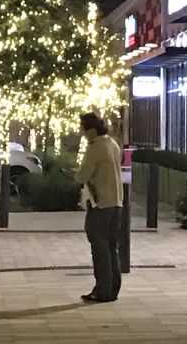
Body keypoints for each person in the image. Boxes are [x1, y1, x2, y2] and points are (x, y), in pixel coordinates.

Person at [75, 111, 123, 303]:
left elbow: (84, 175)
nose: (82, 133)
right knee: (112, 247)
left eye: (84, 129)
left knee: (99, 247)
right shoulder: (112, 144)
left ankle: (102, 290)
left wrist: (75, 174)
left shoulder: (95, 147)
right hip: (116, 202)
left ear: (92, 130)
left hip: (100, 202)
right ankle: (112, 288)